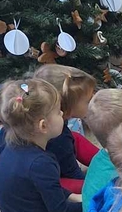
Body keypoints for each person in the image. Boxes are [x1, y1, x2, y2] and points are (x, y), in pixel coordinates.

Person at [0, 78, 87, 212]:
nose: (62, 114)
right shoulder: (41, 163)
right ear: (43, 126)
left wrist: (74, 197)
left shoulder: (10, 144)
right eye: (58, 112)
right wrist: (91, 205)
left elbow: (45, 189)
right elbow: (61, 210)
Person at [32, 64, 99, 193]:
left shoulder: (53, 123)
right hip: (52, 180)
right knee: (94, 187)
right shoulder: (59, 139)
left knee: (75, 137)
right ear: (66, 107)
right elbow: (71, 173)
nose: (93, 102)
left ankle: (106, 160)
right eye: (88, 101)